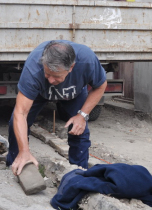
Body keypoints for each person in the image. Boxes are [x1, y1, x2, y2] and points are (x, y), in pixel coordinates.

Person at [7, 40, 107, 175]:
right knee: (15, 124)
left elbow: (100, 86)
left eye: (56, 76)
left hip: (73, 93)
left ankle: (79, 175)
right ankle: (15, 165)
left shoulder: (87, 60)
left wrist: (82, 115)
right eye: (47, 74)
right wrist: (24, 151)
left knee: (79, 130)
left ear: (71, 67)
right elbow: (21, 113)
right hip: (39, 93)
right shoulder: (33, 67)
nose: (51, 81)